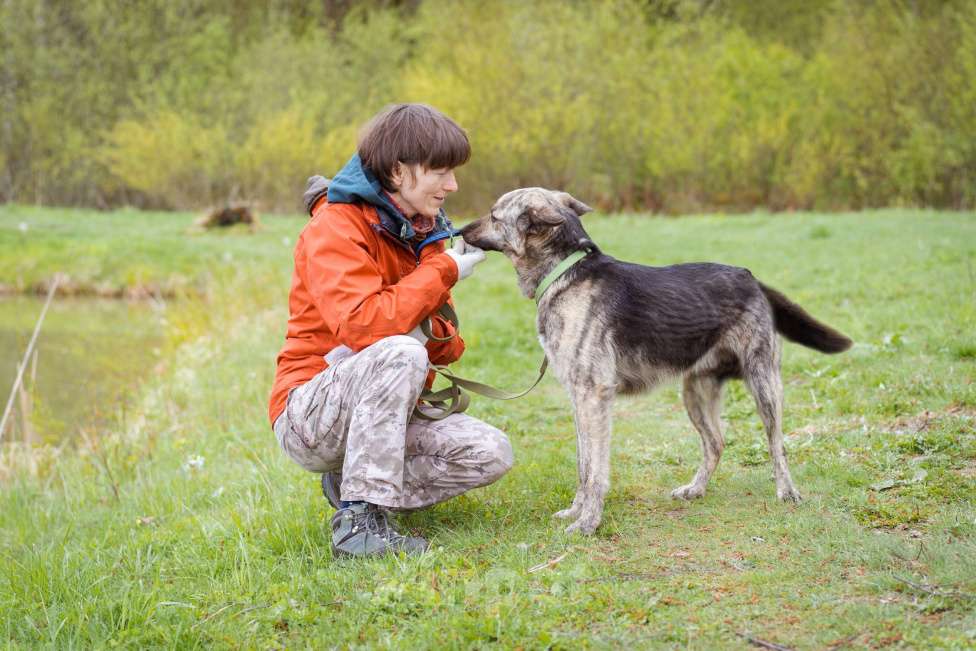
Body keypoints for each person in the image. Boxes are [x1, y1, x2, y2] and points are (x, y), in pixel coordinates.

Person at [268, 103, 513, 558]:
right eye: (440, 171)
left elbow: (448, 348)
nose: (452, 185)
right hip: (308, 416)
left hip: (385, 411)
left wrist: (433, 299)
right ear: (399, 171)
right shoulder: (334, 228)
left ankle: (348, 483)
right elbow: (364, 327)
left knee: (491, 452)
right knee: (400, 350)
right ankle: (360, 525)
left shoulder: (426, 233)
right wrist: (440, 275)